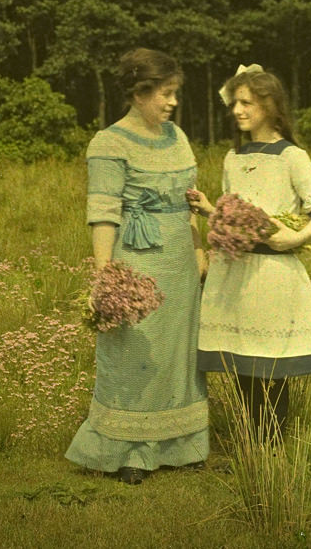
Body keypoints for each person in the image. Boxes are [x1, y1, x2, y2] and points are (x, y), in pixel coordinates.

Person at [65, 48, 209, 485]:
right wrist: (105, 274)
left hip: (180, 262)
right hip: (137, 265)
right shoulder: (108, 143)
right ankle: (131, 450)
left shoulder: (177, 137)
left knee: (176, 356)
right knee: (134, 356)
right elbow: (104, 211)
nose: (172, 102)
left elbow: (189, 202)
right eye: (165, 93)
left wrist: (199, 249)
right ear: (139, 92)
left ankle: (182, 445)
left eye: (174, 93)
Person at [187, 64, 311, 442]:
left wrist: (294, 239)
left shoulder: (292, 157)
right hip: (234, 271)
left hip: (271, 274)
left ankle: (270, 447)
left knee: (271, 363)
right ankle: (252, 444)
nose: (237, 110)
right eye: (235, 102)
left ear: (270, 105)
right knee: (241, 360)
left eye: (247, 103)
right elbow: (238, 215)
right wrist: (210, 210)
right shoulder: (232, 158)